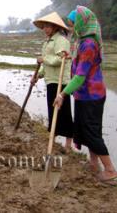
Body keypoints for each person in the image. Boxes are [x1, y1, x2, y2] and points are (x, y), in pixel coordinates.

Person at [54, 6, 117, 185]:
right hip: (83, 95)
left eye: (73, 24)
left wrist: (63, 94)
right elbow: (79, 62)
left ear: (82, 23)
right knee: (85, 130)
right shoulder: (81, 41)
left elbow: (81, 76)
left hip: (92, 95)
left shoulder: (89, 44)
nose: (71, 28)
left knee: (92, 132)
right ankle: (93, 164)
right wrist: (69, 56)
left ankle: (111, 171)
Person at [32, 12, 73, 151]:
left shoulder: (61, 41)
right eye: (44, 26)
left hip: (61, 80)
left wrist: (44, 59)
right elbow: (47, 64)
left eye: (48, 26)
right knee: (52, 109)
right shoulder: (47, 42)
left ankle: (68, 142)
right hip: (51, 80)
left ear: (55, 27)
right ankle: (53, 135)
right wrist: (39, 75)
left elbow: (60, 59)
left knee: (64, 111)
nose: (45, 29)